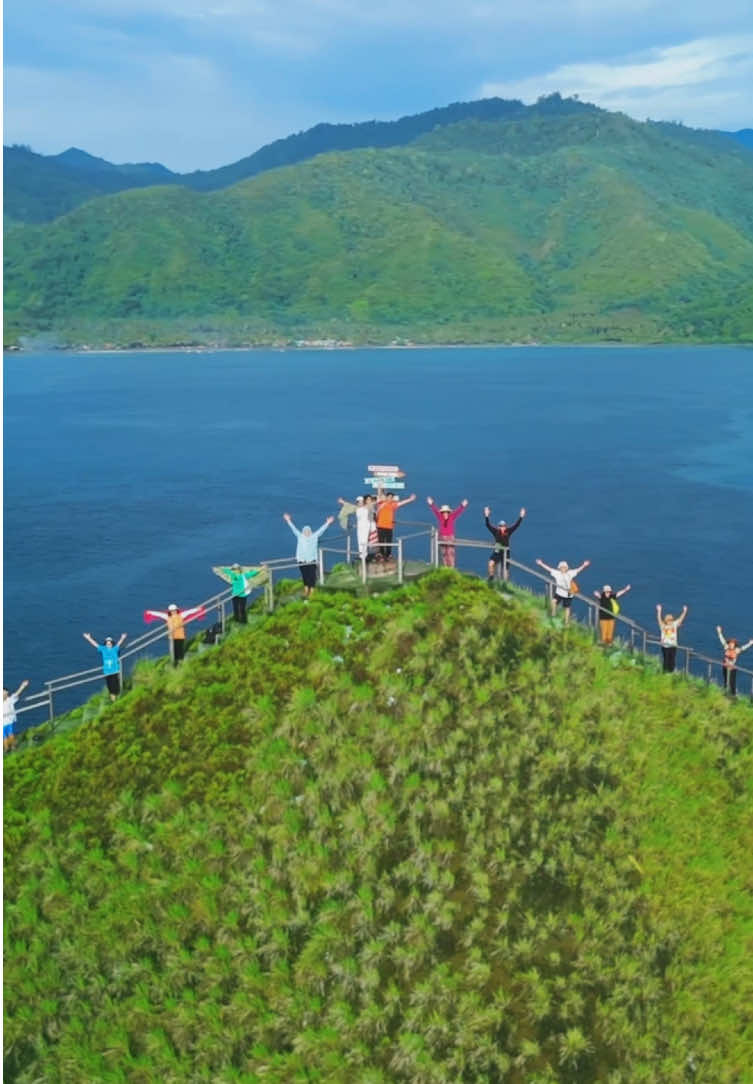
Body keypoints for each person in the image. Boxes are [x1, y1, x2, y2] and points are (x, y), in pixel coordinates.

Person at [283, 513, 334, 598]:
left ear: (311, 531)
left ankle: (312, 591)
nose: (307, 532)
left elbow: (321, 530)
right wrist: (288, 520)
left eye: (308, 531)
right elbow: (293, 529)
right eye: (305, 531)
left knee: (312, 576)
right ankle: (306, 590)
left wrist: (328, 523)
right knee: (304, 575)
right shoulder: (300, 536)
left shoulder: (314, 536)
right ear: (303, 531)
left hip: (312, 560)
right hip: (302, 560)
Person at [535, 557, 591, 623]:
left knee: (567, 608)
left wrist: (584, 565)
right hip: (559, 593)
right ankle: (553, 614)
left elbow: (578, 570)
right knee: (553, 601)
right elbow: (549, 569)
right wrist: (541, 564)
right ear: (559, 568)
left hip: (568, 594)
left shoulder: (570, 573)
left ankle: (566, 621)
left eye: (564, 567)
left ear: (567, 568)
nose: (563, 568)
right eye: (562, 567)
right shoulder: (557, 573)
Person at [484, 507, 526, 582]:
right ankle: (491, 577)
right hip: (497, 551)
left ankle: (506, 584)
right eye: (500, 526)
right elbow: (488, 525)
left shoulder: (508, 531)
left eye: (503, 526)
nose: (502, 527)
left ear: (505, 526)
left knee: (506, 569)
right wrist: (486, 515)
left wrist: (521, 516)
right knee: (490, 563)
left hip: (506, 552)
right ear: (498, 526)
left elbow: (516, 525)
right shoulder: (495, 531)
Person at [375, 489, 416, 564]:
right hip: (380, 526)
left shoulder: (393, 505)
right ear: (386, 497)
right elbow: (379, 495)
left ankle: (387, 556)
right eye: (389, 497)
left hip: (389, 526)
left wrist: (410, 499)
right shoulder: (380, 503)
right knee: (381, 541)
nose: (390, 498)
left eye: (391, 497)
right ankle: (381, 555)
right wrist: (379, 487)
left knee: (389, 542)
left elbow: (402, 503)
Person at [83, 631, 127, 699]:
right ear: (105, 644)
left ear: (112, 644)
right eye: (107, 643)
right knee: (110, 688)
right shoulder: (103, 649)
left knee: (115, 687)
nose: (109, 644)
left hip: (114, 671)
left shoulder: (115, 649)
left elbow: (119, 643)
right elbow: (95, 644)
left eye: (110, 643)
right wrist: (89, 638)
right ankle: (114, 701)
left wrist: (122, 638)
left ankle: (117, 698)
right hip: (107, 672)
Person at [427, 497, 469, 567]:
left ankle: (451, 568)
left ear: (448, 512)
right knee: (444, 553)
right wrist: (431, 504)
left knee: (450, 553)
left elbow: (458, 511)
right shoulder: (440, 517)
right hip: (442, 537)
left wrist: (463, 505)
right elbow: (435, 510)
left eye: (446, 512)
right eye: (444, 512)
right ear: (442, 513)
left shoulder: (452, 516)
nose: (445, 514)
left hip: (450, 537)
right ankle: (446, 567)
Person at [716, 626, 753, 696]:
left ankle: (733, 696)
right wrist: (719, 632)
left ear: (734, 645)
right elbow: (722, 640)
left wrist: (750, 644)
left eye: (732, 643)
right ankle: (726, 693)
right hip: (725, 667)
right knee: (726, 680)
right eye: (730, 643)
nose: (730, 644)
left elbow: (743, 648)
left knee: (732, 683)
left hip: (732, 669)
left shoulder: (736, 650)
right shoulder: (726, 648)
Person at [337, 495, 374, 562]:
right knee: (360, 541)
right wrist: (342, 502)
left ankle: (364, 556)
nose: (360, 503)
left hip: (366, 526)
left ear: (364, 502)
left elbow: (372, 504)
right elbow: (348, 506)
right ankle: (361, 555)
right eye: (359, 502)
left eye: (361, 501)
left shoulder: (367, 507)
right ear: (357, 503)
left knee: (364, 540)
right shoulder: (356, 508)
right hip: (360, 527)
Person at [656, 604, 688, 673]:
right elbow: (659, 619)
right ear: (666, 620)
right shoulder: (663, 626)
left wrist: (685, 611)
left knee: (672, 660)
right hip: (665, 646)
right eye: (669, 620)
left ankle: (671, 672)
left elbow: (680, 619)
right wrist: (659, 611)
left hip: (673, 645)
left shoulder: (674, 625)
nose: (670, 621)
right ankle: (665, 672)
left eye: (671, 619)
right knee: (666, 660)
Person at [3, 679, 30, 753]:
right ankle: (6, 748)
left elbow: (17, 693)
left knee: (10, 734)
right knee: (4, 737)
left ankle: (13, 746)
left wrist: (23, 686)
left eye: (5, 693)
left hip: (8, 721)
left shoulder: (9, 700)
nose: (4, 695)